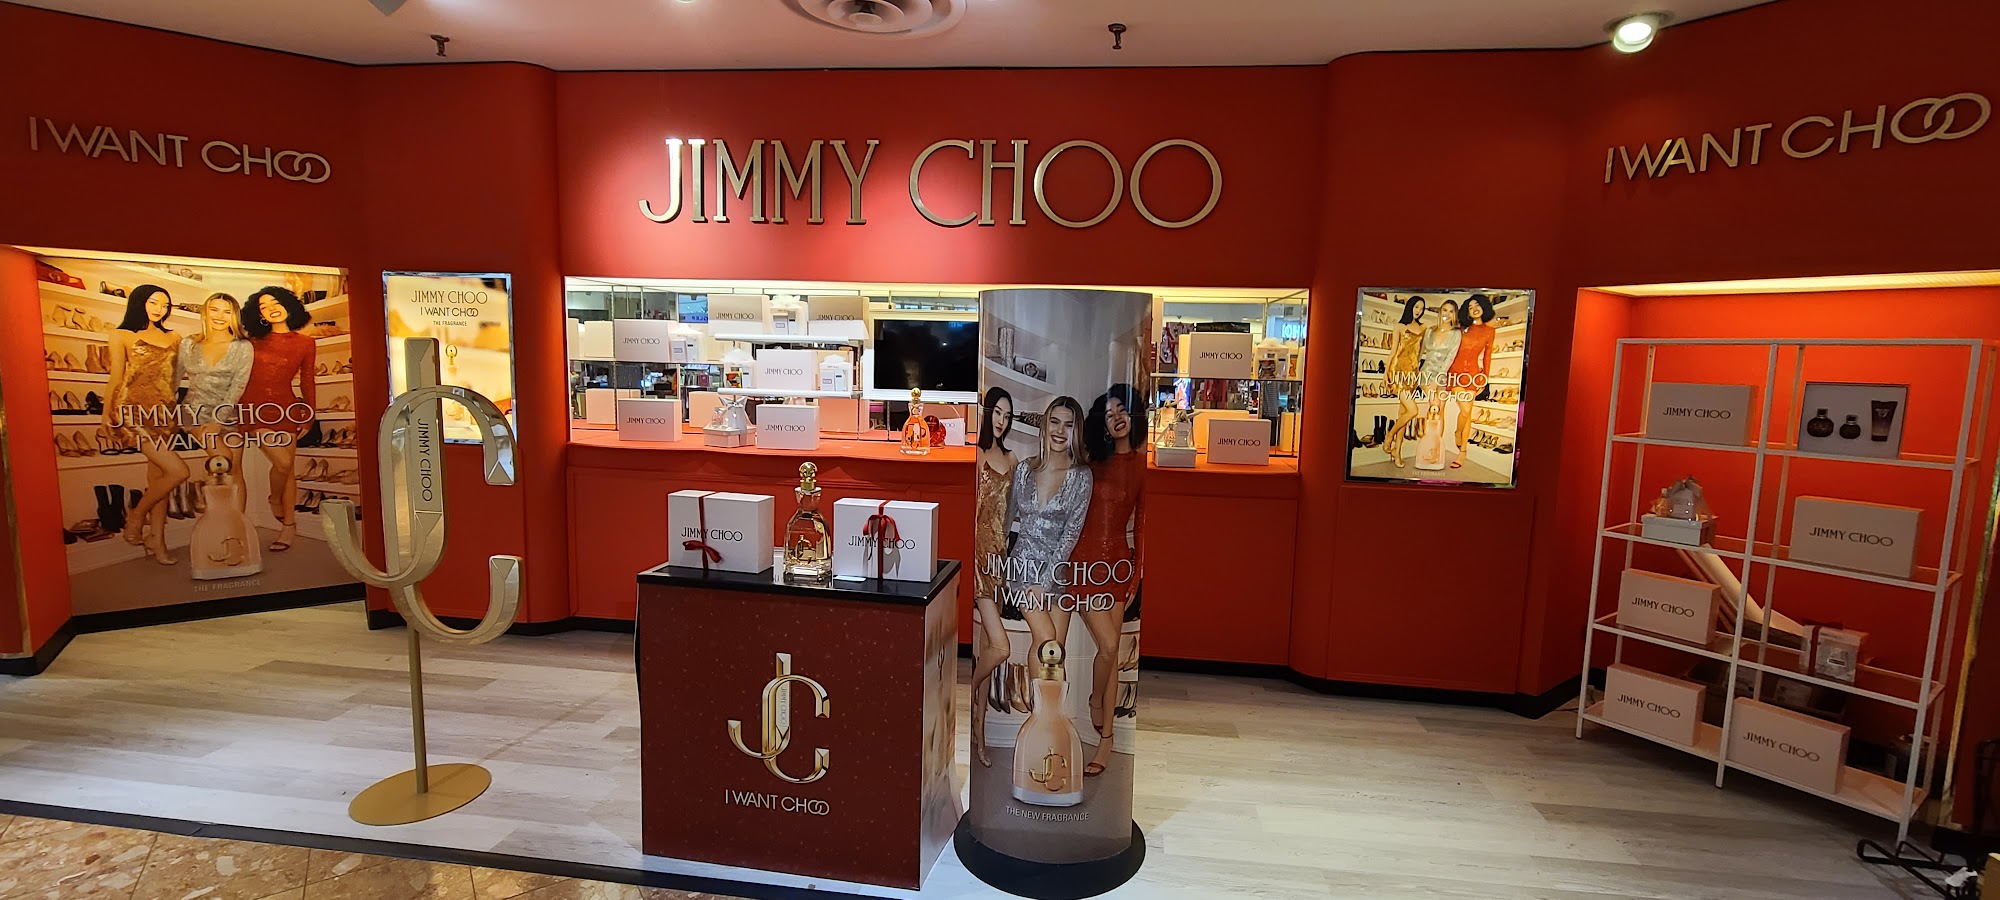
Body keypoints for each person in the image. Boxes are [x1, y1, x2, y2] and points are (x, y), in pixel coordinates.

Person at [1072, 384, 1144, 777]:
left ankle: (1107, 739)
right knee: (1110, 645)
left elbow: (1143, 525)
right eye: (1110, 412)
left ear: (1134, 416)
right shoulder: (1092, 460)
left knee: (1111, 654)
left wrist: (1136, 572)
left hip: (1117, 566)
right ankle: (1096, 701)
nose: (1116, 417)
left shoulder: (1141, 465)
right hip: (1083, 564)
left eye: (1123, 410)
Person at [1004, 397, 1093, 667]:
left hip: (1058, 572)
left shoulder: (1081, 476)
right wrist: (995, 566)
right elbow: (1006, 521)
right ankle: (1038, 697)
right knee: (1046, 640)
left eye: (1068, 424)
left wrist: (1046, 584)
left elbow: (1070, 535)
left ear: (1077, 430)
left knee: (1056, 653)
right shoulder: (1024, 470)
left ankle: (1043, 697)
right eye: (1054, 422)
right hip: (1023, 568)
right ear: (1044, 425)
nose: (1059, 430)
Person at [103, 284, 186, 565]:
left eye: (165, 305)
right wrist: (105, 414)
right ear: (139, 302)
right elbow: (116, 377)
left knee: (159, 479)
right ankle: (136, 516)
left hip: (165, 413)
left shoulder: (174, 337)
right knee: (178, 471)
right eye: (153, 302)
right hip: (133, 411)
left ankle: (157, 541)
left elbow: (176, 377)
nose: (159, 309)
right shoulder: (120, 334)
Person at [238, 286, 317, 551]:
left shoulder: (306, 343)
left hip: (287, 409)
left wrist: (309, 413)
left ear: (287, 305)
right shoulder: (251, 342)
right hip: (254, 410)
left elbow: (307, 380)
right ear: (258, 315)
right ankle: (274, 498)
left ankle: (288, 527)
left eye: (275, 302)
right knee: (282, 463)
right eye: (263, 306)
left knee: (288, 468)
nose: (270, 308)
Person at [971, 386, 1018, 767]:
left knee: (990, 646)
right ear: (987, 413)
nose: (1001, 420)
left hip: (999, 561)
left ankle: (980, 737)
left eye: (1007, 414)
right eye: (997, 413)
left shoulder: (1012, 459)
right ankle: (969, 691)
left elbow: (1012, 514)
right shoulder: (977, 455)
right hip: (978, 556)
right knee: (1001, 648)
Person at [179, 294, 254, 505]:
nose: (220, 316)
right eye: (214, 310)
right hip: (194, 412)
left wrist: (218, 420)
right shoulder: (188, 343)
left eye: (226, 311)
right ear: (205, 313)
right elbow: (174, 379)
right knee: (224, 461)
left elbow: (238, 386)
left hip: (229, 415)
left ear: (234, 316)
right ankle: (217, 515)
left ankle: (236, 523)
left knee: (236, 470)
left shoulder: (243, 347)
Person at [1447, 294, 1499, 469]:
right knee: (1466, 409)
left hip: (1473, 375)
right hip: (1455, 373)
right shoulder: (1460, 329)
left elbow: (1487, 357)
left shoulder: (1490, 331)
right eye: (1470, 307)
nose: (1474, 308)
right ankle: (1458, 433)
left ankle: (1462, 452)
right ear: (1467, 312)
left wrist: (1484, 378)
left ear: (1484, 307)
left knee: (1467, 412)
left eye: (1477, 305)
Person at [1414, 299, 1462, 471]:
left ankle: (1436, 451)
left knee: (1439, 411)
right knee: (1432, 411)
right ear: (1440, 311)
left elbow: (1450, 358)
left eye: (1451, 311)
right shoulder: (1430, 331)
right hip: (1426, 374)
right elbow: (1421, 354)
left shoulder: (1456, 333)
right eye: (1445, 310)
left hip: (1441, 376)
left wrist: (1437, 380)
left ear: (1454, 315)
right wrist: (1417, 372)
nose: (1447, 314)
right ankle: (1429, 450)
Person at [1382, 296, 1428, 466]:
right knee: (1413, 410)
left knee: (1403, 414)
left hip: (1412, 374)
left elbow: (1420, 353)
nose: (1418, 311)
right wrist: (1386, 373)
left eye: (1421, 308)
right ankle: (1389, 436)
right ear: (1410, 306)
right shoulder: (1399, 326)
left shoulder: (1423, 328)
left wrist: (1418, 373)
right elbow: (1393, 351)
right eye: (1416, 307)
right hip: (1398, 372)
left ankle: (1397, 452)